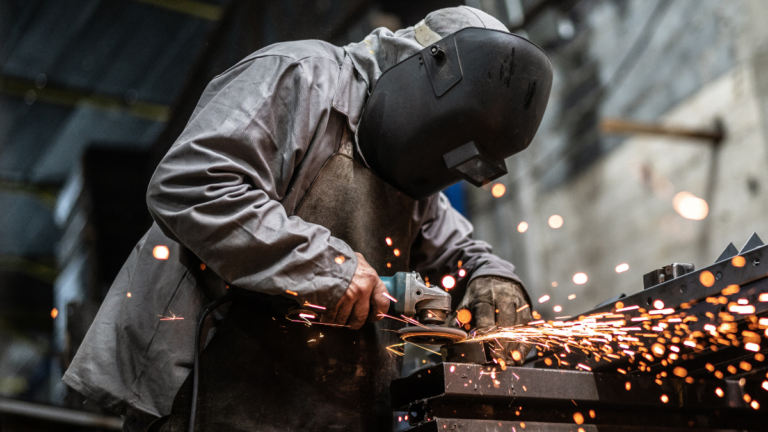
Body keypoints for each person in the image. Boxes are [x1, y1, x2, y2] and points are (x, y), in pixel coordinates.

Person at [63, 6, 551, 432]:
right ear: (426, 73)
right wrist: (328, 268)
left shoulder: (413, 163)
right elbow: (191, 185)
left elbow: (461, 251)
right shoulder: (299, 76)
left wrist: (494, 280)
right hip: (216, 396)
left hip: (344, 412)